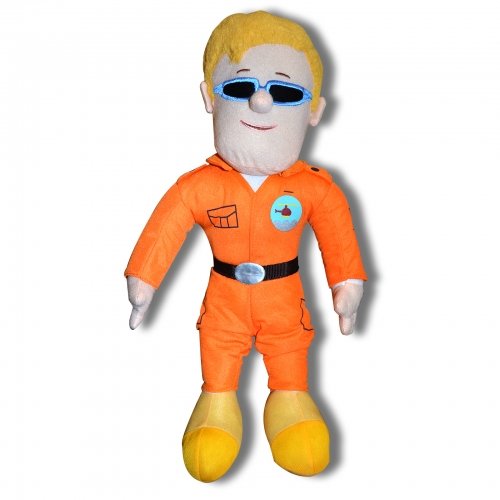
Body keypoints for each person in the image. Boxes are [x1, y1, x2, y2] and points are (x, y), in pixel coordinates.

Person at [125, 11, 367, 482]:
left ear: (313, 110)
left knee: (291, 362)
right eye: (239, 87)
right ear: (210, 98)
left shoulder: (313, 188)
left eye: (285, 92)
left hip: (285, 300)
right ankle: (217, 407)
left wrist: (347, 284)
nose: (260, 101)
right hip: (225, 300)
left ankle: (291, 403)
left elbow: (337, 233)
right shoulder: (200, 185)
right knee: (218, 365)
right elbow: (165, 228)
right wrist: (143, 280)